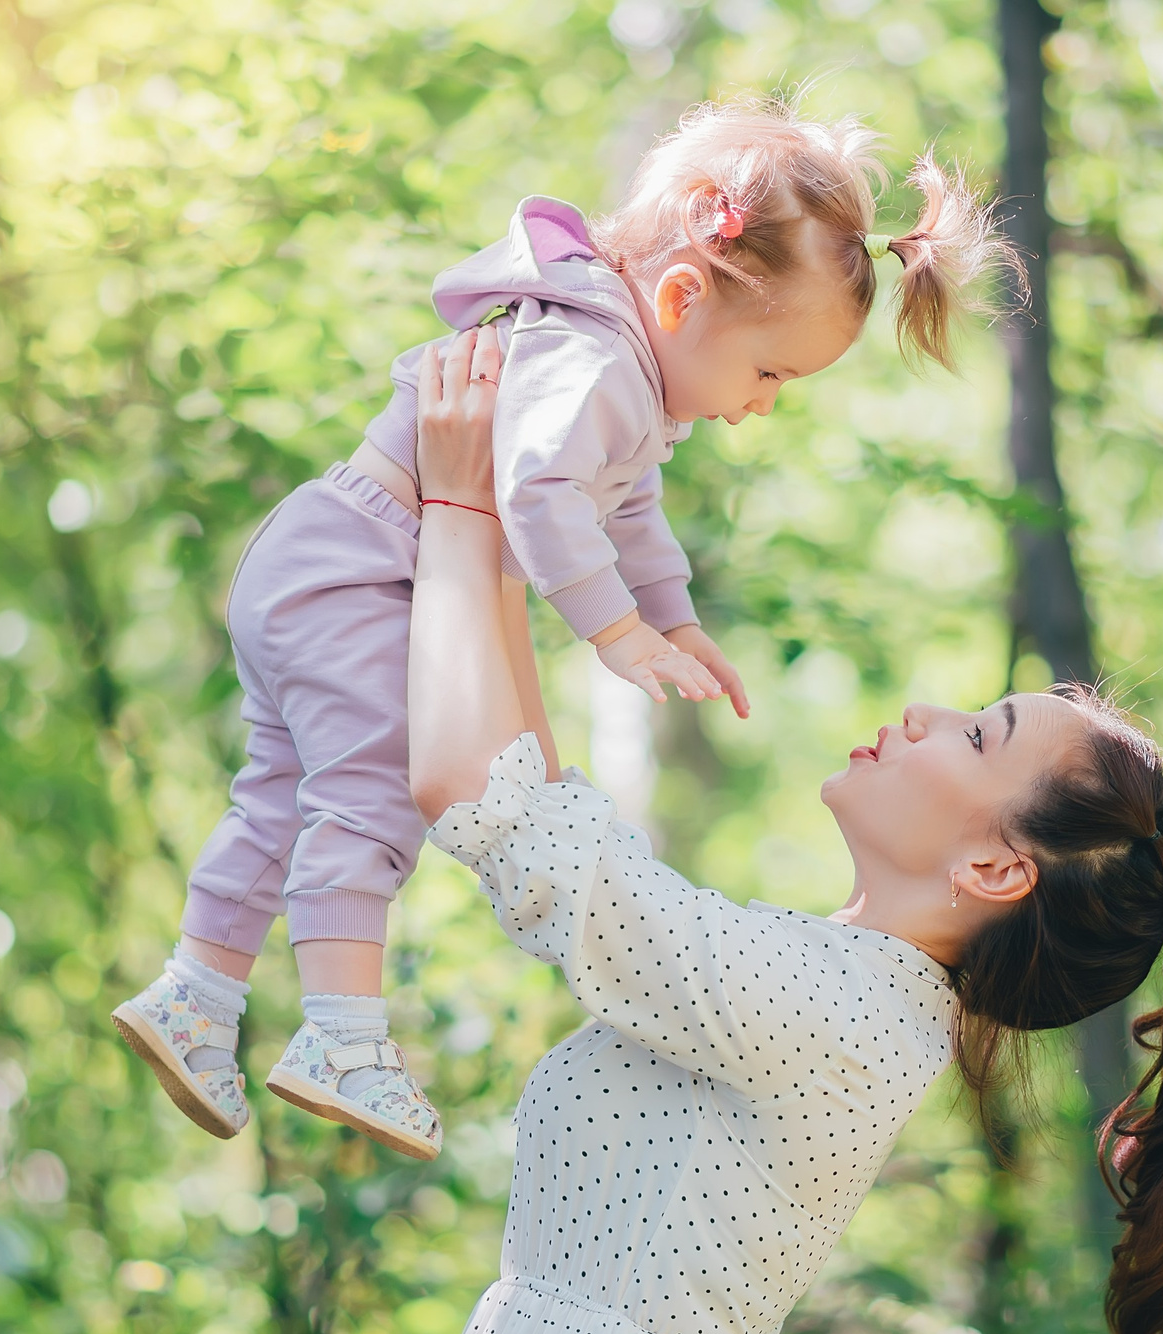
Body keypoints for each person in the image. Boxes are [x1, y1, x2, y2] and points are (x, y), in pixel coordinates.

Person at [391, 326, 1163, 1334]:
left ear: (993, 867)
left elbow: (475, 795)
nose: (922, 712)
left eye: (976, 735)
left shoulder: (842, 1014)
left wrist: (451, 506)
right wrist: (502, 519)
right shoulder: (835, 985)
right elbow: (539, 801)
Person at [113, 95, 999, 1161]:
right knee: (370, 793)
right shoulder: (595, 363)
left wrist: (674, 617)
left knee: (276, 796)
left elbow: (627, 511)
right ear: (680, 296)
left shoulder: (616, 365)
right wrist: (617, 633)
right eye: (770, 373)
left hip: (323, 556)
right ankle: (340, 1034)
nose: (762, 405)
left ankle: (193, 994)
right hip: (360, 566)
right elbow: (538, 498)